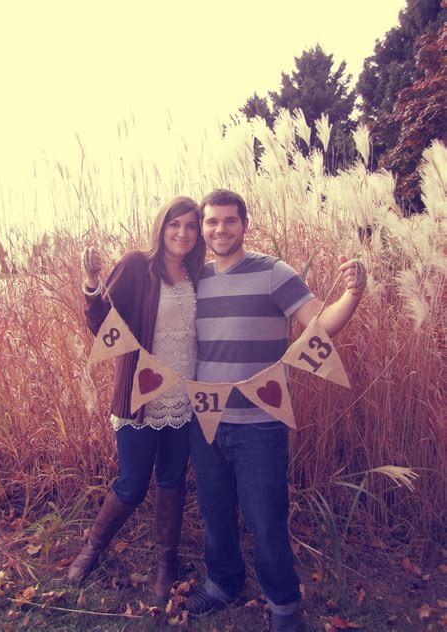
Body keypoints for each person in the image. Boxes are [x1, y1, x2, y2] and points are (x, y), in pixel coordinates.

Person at [186, 189, 367, 632]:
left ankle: (284, 605)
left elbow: (319, 325)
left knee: (266, 520)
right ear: (204, 228)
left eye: (229, 221)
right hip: (205, 418)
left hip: (260, 424)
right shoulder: (196, 279)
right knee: (215, 514)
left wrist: (354, 293)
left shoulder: (272, 272)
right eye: (211, 222)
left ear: (244, 224)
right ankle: (223, 582)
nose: (219, 229)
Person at [68, 196, 206, 601]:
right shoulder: (135, 265)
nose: (182, 233)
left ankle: (166, 564)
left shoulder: (199, 274)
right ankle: (92, 549)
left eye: (191, 226)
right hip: (140, 397)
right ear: (162, 226)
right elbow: (103, 323)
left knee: (172, 480)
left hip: (185, 399)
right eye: (174, 224)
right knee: (131, 483)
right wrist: (92, 285)